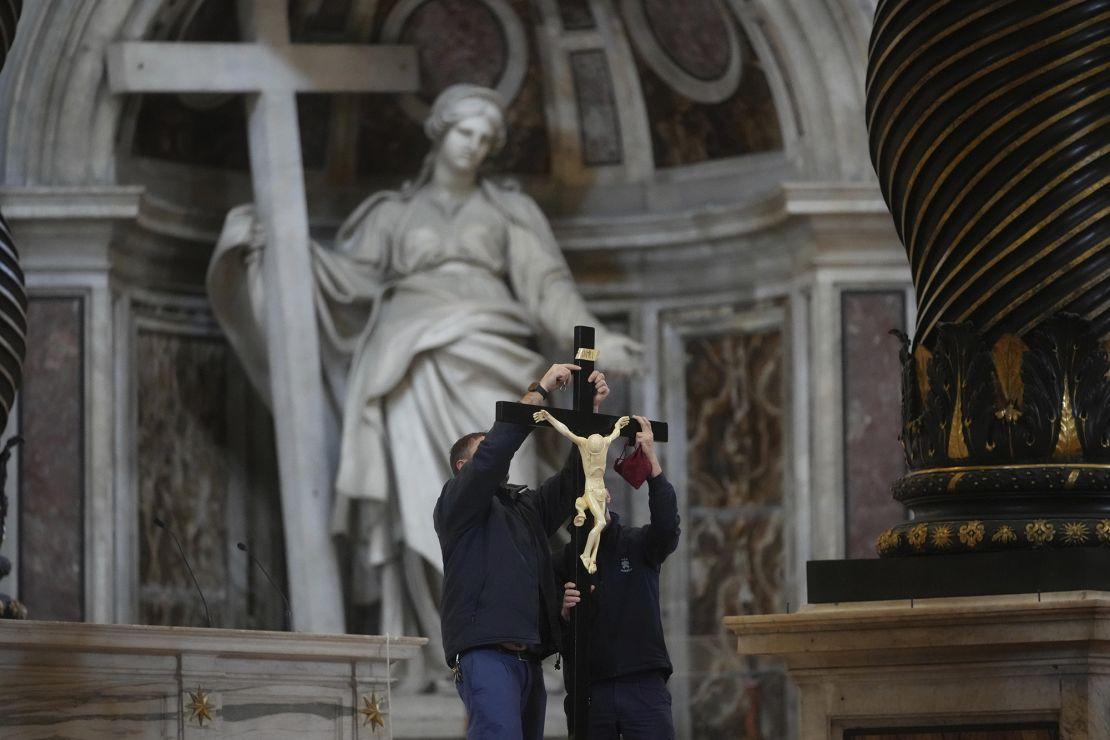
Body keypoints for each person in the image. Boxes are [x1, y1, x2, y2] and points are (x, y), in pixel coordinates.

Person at [208, 84, 640, 651]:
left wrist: (599, 340)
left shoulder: (510, 210)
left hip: (491, 352)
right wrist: (281, 246)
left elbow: (549, 288)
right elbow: (345, 279)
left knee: (519, 495)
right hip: (406, 364)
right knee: (425, 498)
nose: (475, 147)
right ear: (439, 132)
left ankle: (518, 634)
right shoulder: (393, 213)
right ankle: (430, 647)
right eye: (466, 132)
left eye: (487, 139)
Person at [435, 362, 610, 739]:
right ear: (463, 467)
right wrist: (540, 390)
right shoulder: (457, 505)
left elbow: (571, 484)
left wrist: (588, 417)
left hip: (529, 658)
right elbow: (496, 452)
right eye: (483, 454)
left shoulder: (523, 507)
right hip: (486, 653)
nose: (500, 459)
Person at [559, 415, 680, 740]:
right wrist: (564, 612)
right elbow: (545, 628)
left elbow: (668, 528)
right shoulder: (563, 562)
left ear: (608, 496)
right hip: (590, 689)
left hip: (642, 681)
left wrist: (652, 462)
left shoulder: (638, 544)